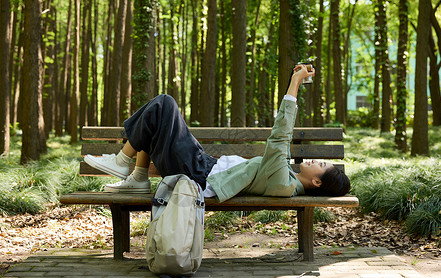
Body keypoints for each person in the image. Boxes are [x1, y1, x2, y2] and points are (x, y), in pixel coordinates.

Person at [84, 64, 350, 201]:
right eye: (320, 159)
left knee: (165, 103)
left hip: (197, 174)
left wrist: (294, 84)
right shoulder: (288, 176)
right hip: (203, 165)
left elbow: (280, 137)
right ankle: (139, 177)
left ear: (316, 182)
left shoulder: (283, 182)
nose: (316, 161)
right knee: (160, 115)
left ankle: (122, 162)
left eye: (321, 164)